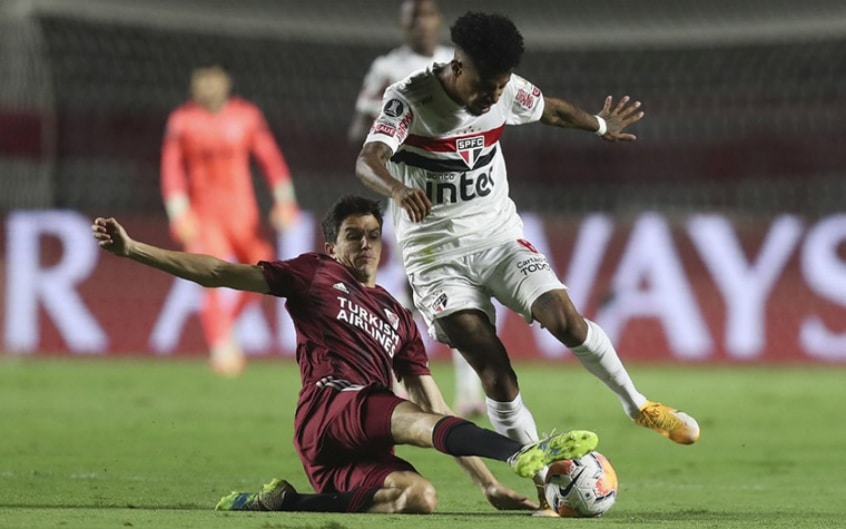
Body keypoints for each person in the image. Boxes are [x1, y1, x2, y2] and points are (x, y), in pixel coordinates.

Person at [354, 11, 700, 515]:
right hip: (436, 260)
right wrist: (398, 188)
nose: (495, 96)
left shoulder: (506, 89)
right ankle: (543, 482)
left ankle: (638, 405)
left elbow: (553, 111)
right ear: (457, 64)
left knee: (566, 321)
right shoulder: (410, 99)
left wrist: (601, 124)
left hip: (499, 239)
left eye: (500, 86)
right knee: (493, 367)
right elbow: (368, 158)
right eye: (486, 85)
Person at [91, 195, 599, 514]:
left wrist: (485, 486)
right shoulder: (314, 274)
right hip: (330, 407)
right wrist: (136, 250)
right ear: (331, 245)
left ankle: (286, 503)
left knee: (418, 498)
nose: (366, 245)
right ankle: (520, 451)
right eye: (353, 236)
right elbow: (220, 272)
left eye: (374, 236)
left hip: (348, 448)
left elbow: (438, 412)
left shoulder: (399, 318)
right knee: (406, 415)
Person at [348, 0, 486, 418]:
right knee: (414, 290)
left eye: (429, 17)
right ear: (404, 25)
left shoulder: (457, 64)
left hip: (459, 195)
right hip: (410, 197)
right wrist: (385, 120)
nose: (423, 25)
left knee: (466, 289)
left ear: (438, 22)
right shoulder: (388, 69)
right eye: (415, 19)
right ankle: (397, 382)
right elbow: (359, 131)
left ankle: (468, 395)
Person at [160, 64, 301, 376]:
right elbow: (171, 170)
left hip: (243, 214)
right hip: (205, 214)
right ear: (194, 89)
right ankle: (221, 348)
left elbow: (270, 159)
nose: (209, 89)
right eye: (203, 83)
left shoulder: (246, 116)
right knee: (207, 273)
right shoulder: (182, 121)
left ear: (226, 85)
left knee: (264, 273)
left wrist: (285, 202)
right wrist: (179, 213)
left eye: (215, 82)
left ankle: (224, 333)